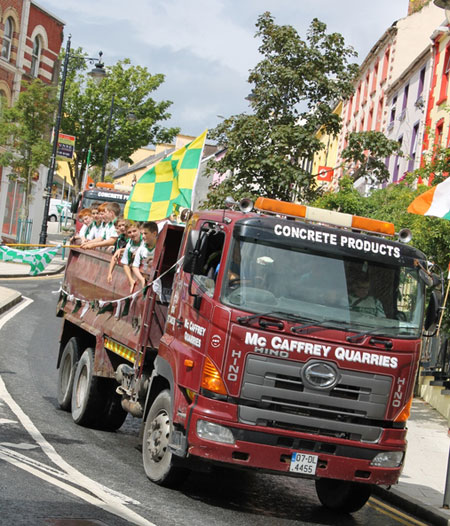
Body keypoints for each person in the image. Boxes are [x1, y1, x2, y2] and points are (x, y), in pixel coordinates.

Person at [132, 221, 158, 288]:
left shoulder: (160, 248)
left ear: (154, 233)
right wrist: (141, 278)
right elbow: (135, 266)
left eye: (145, 233)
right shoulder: (141, 249)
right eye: (142, 234)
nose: (143, 236)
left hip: (156, 281)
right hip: (145, 280)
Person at [119, 222, 142, 292]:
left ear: (140, 230)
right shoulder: (129, 243)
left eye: (134, 231)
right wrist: (130, 279)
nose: (132, 234)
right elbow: (125, 263)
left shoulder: (144, 239)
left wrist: (138, 253)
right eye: (129, 232)